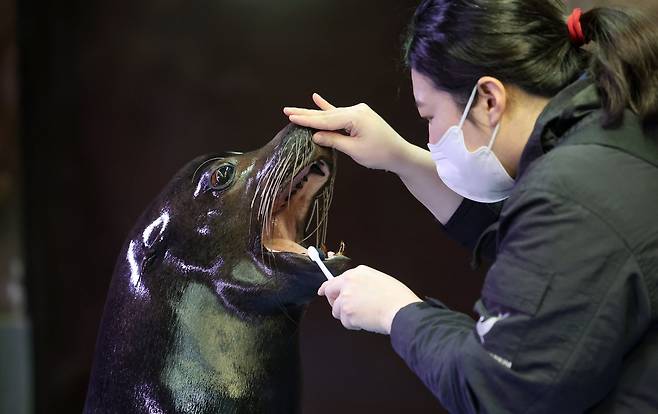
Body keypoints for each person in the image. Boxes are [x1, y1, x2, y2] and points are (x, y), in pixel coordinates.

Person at [283, 0, 658, 412]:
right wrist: (400, 158)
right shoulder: (611, 134)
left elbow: (496, 389)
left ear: (488, 100)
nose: (431, 137)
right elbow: (535, 247)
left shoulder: (573, 192)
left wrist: (398, 311)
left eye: (429, 117)